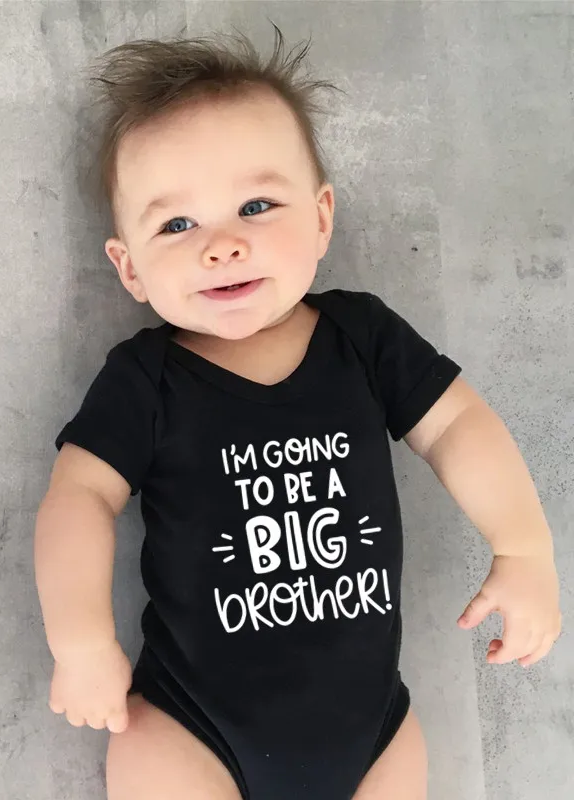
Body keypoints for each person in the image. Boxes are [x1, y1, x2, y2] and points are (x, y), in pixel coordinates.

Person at [34, 24, 562, 800]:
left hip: (372, 731)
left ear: (320, 218)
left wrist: (523, 547)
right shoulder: (145, 379)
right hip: (189, 727)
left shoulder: (362, 337)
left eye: (255, 206)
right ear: (130, 268)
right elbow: (79, 497)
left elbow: (457, 426)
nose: (221, 245)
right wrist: (80, 642)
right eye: (176, 225)